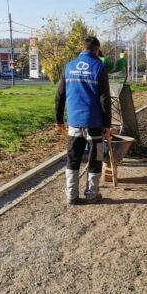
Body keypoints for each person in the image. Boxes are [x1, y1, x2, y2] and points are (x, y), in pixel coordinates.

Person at [55, 36, 112, 204]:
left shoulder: (69, 66)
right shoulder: (99, 67)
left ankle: (71, 195)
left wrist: (59, 120)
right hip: (94, 123)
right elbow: (104, 99)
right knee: (96, 157)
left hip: (74, 122)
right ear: (97, 50)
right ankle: (91, 194)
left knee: (73, 158)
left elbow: (59, 96)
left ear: (83, 48)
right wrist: (107, 124)